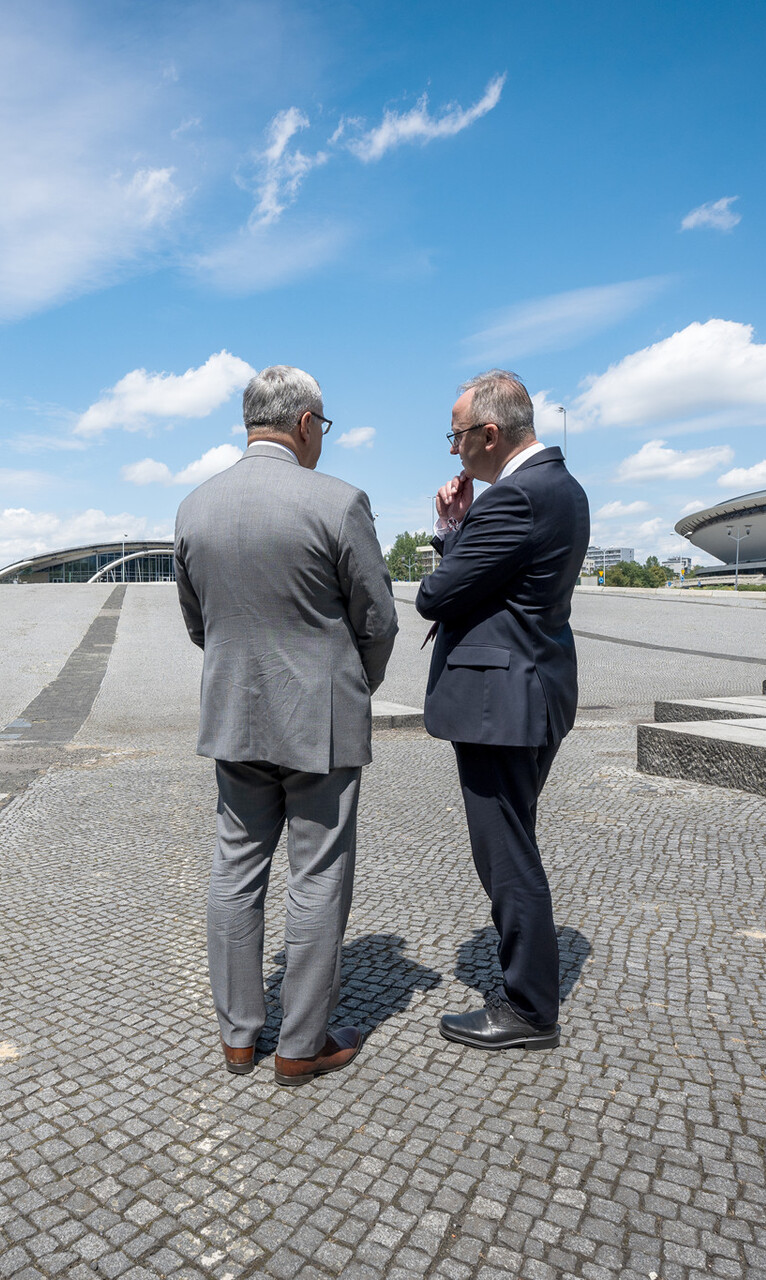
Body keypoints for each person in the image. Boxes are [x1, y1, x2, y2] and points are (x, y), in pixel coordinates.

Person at [175, 364, 398, 1086]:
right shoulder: (338, 502)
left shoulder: (195, 507)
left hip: (234, 715)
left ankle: (238, 1039)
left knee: (235, 868)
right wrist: (354, 684)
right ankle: (301, 1045)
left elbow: (199, 623)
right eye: (322, 427)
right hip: (321, 722)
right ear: (305, 424)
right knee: (318, 874)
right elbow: (378, 619)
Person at [416, 370, 589, 1051]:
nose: (452, 449)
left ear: (490, 434)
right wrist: (465, 528)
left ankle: (529, 1008)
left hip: (502, 703)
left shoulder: (515, 497)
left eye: (456, 435)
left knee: (506, 854)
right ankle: (529, 994)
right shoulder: (561, 486)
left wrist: (450, 527)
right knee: (515, 840)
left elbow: (436, 596)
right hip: (534, 689)